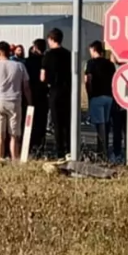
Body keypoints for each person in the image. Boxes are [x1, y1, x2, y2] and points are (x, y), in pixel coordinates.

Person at [0, 42, 32, 161]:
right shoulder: (19, 66)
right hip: (14, 101)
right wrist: (29, 102)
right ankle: (15, 159)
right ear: (10, 52)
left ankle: (0, 158)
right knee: (14, 135)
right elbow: (26, 87)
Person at [42, 28, 72, 159]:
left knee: (57, 122)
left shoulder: (48, 55)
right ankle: (70, 149)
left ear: (51, 39)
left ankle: (60, 151)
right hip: (67, 90)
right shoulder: (68, 54)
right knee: (67, 121)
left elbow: (43, 76)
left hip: (54, 90)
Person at [85, 40, 116, 159]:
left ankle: (102, 150)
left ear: (93, 50)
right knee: (106, 123)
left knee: (100, 124)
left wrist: (89, 94)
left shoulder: (91, 63)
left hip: (96, 96)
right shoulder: (110, 64)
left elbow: (88, 79)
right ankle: (104, 148)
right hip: (109, 96)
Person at [25, 38, 48, 154]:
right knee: (41, 122)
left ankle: (28, 146)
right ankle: (39, 146)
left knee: (29, 122)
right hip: (43, 94)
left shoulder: (28, 62)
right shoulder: (46, 60)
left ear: (34, 47)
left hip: (30, 93)